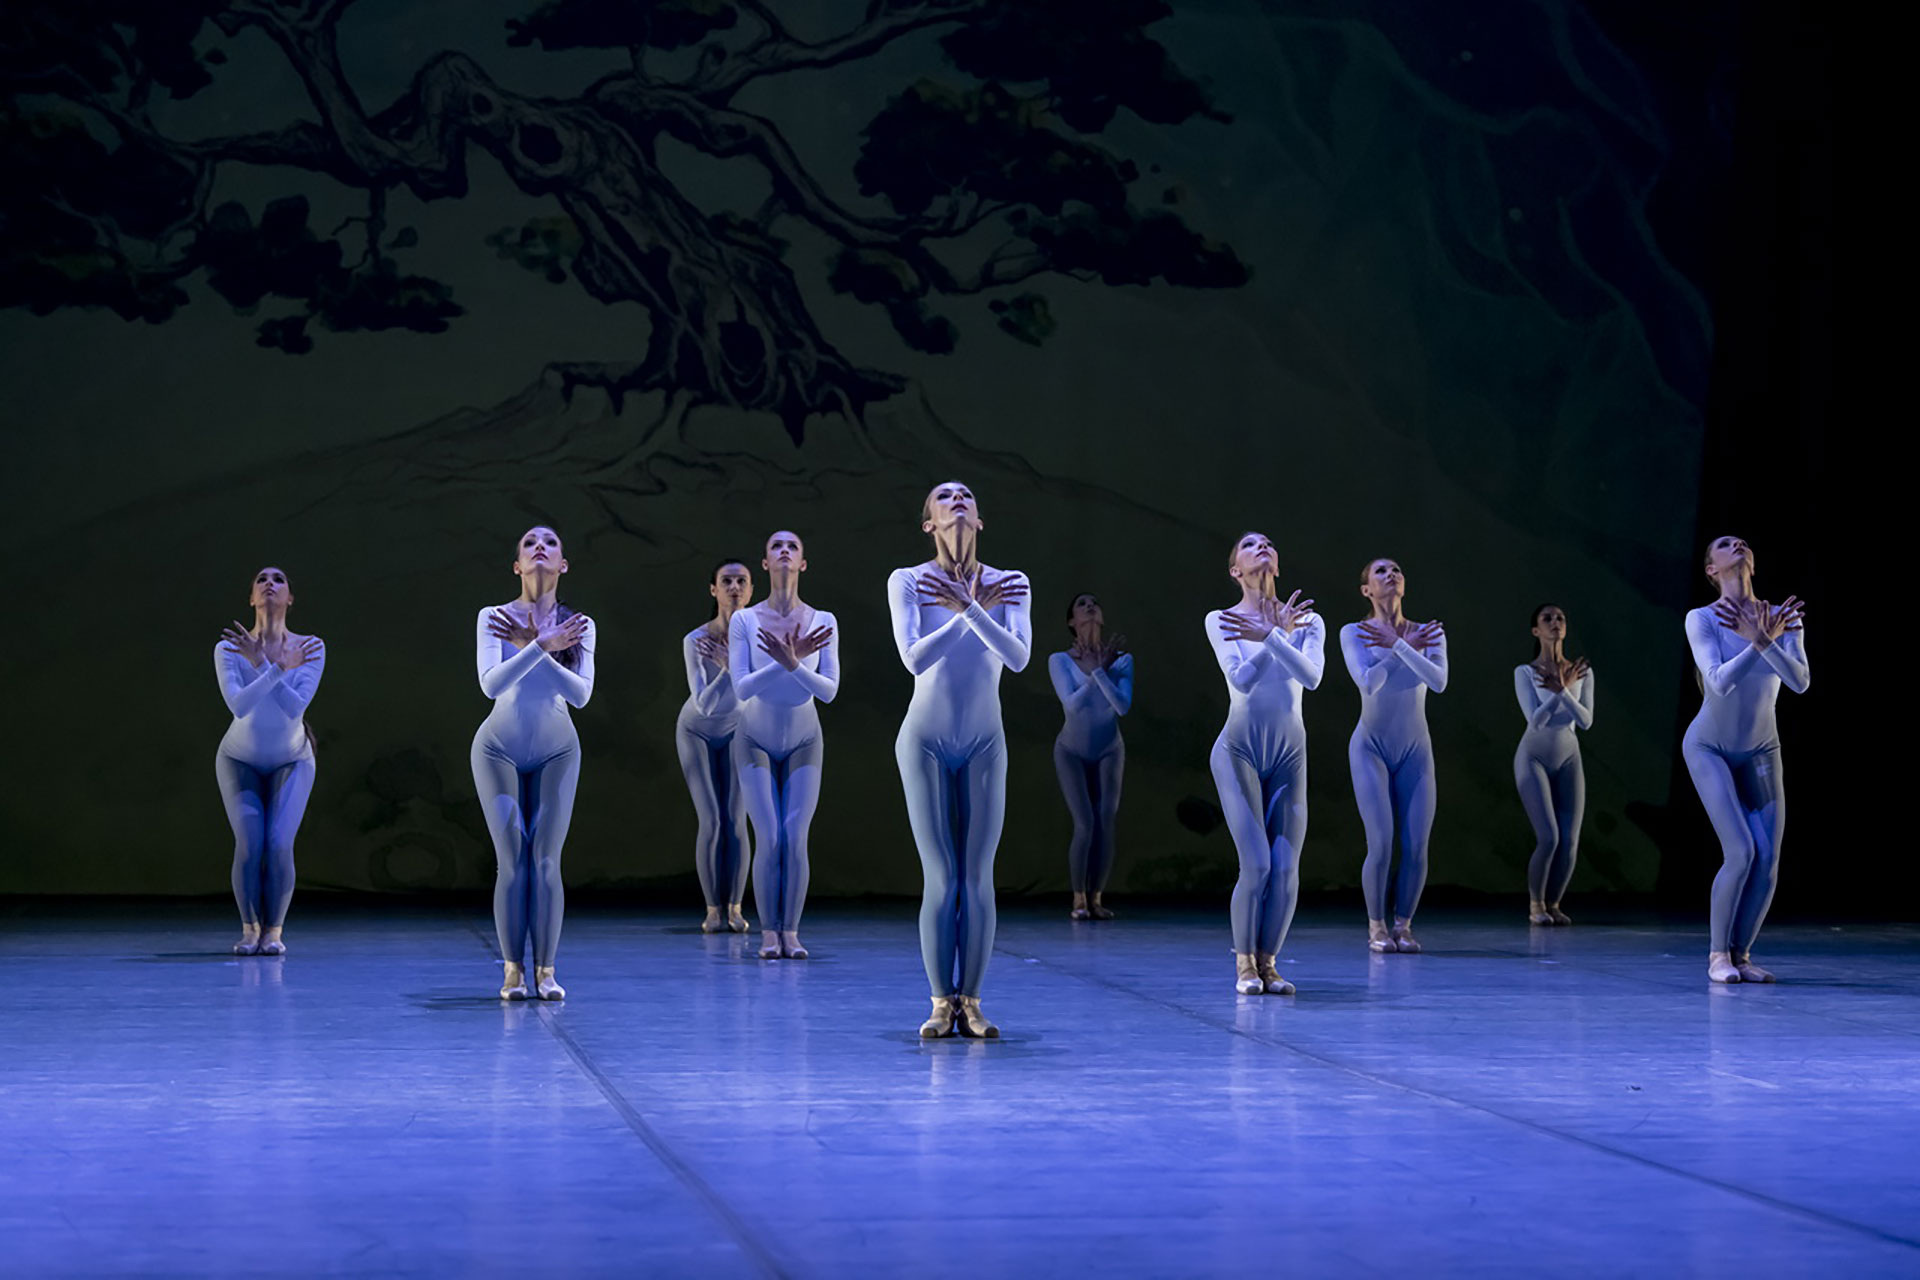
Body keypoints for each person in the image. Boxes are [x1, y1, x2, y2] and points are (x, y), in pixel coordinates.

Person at [888, 481, 1031, 1038]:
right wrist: (968, 612)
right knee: (941, 877)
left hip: (984, 741)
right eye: (944, 497)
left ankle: (970, 1001)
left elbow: (1017, 657)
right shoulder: (908, 580)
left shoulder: (1010, 582)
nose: (958, 500)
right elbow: (913, 659)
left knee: (977, 876)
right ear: (929, 523)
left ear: (980, 518)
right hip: (924, 739)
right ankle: (937, 1001)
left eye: (967, 495)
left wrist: (971, 606)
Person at [471, 526, 594, 1001]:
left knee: (544, 860)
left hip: (557, 749)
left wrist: (539, 643)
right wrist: (538, 645)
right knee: (512, 859)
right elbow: (491, 684)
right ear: (517, 565)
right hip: (497, 748)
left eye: (550, 542)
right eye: (529, 543)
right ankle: (512, 970)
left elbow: (580, 695)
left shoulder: (579, 625)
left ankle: (546, 970)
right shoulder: (493, 617)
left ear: (563, 564)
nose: (539, 546)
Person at [1684, 535, 1808, 984]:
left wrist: (1765, 639)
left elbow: (1800, 682)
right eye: (1724, 543)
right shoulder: (1702, 618)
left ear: (1752, 563)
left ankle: (1742, 955)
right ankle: (1718, 955)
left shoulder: (1782, 617)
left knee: (1768, 859)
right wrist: (1757, 645)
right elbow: (1717, 682)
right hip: (1709, 747)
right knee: (1740, 851)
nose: (1738, 543)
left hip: (1762, 749)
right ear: (1711, 569)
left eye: (1742, 542)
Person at [1206, 533, 1322, 995]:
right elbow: (1240, 679)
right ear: (1235, 569)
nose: (1263, 547)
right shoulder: (1222, 619)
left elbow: (1311, 677)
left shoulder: (1307, 620)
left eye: (1268, 543)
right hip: (1239, 750)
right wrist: (1273, 638)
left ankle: (1269, 963)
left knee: (1286, 867)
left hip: (1290, 753)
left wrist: (1276, 635)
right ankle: (1244, 964)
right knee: (1256, 864)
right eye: (1250, 545)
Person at [729, 531, 839, 960]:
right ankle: (767, 932)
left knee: (794, 837)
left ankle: (789, 931)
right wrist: (786, 662)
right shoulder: (745, 620)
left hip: (804, 739)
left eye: (792, 547)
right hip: (754, 738)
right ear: (765, 562)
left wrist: (794, 663)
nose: (785, 552)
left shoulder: (823, 620)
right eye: (777, 546)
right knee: (770, 836)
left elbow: (828, 690)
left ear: (803, 563)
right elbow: (742, 687)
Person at [215, 566, 325, 956]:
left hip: (292, 760)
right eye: (261, 579)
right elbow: (240, 705)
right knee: (250, 843)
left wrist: (265, 665)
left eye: (278, 579)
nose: (269, 584)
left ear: (290, 598)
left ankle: (273, 931)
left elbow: (295, 708)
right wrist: (275, 667)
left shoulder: (310, 647)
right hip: (238, 760)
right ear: (251, 598)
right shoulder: (229, 648)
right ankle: (250, 929)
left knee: (278, 844)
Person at [1339, 558, 1447, 954]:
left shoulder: (1428, 632)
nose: (1391, 575)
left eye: (1397, 570)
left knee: (1417, 845)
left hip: (1416, 751)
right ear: (1366, 589)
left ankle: (1404, 924)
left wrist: (1400, 644)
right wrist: (1400, 649)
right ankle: (1377, 925)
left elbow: (1438, 681)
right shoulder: (1354, 632)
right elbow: (1368, 682)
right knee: (1381, 843)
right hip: (1371, 748)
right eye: (1381, 572)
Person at [679, 559, 754, 934]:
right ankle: (712, 908)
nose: (734, 588)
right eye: (727, 581)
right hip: (696, 730)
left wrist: (734, 661)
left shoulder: (759, 638)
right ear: (714, 590)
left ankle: (735, 907)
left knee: (736, 819)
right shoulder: (696, 640)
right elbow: (705, 704)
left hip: (740, 727)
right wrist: (727, 668)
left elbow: (758, 692)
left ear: (751, 591)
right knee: (712, 819)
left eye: (741, 581)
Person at [1049, 593, 1132, 921]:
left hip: (1109, 748)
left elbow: (1122, 706)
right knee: (1085, 823)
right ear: (1072, 621)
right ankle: (1079, 898)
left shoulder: (1122, 660)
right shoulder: (1060, 660)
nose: (1090, 606)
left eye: (1094, 602)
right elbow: (1072, 704)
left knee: (1106, 821)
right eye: (1082, 603)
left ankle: (1096, 897)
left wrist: (1100, 671)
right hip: (1070, 750)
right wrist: (1099, 672)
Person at [1514, 604, 1593, 926]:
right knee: (1549, 837)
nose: (1555, 622)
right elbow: (1535, 720)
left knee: (1569, 841)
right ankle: (1536, 904)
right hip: (1533, 756)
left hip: (1569, 756)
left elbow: (1585, 721)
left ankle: (1554, 903)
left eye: (1560, 618)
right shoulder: (1526, 672)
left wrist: (1563, 690)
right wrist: (1560, 692)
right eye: (1547, 619)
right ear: (1536, 631)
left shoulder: (1581, 671)